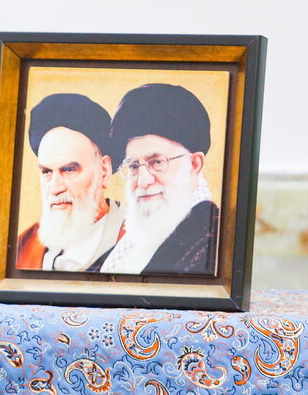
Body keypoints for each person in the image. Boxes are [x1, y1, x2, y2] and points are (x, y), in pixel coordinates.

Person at [99, 83, 219, 276]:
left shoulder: (213, 242)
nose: (143, 181)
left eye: (157, 162)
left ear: (194, 164)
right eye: (134, 166)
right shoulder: (125, 243)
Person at [16, 93, 125, 271]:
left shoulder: (137, 240)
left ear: (104, 171)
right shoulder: (25, 247)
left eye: (69, 170)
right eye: (46, 172)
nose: (55, 188)